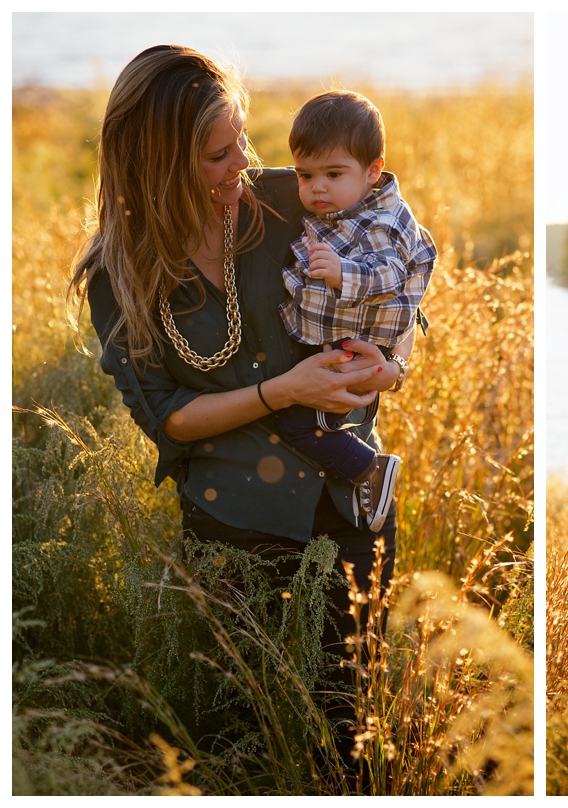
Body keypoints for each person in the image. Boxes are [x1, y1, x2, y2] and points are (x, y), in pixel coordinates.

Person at [66, 44, 409, 764]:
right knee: (249, 737)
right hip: (234, 530)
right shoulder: (116, 274)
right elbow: (168, 421)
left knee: (349, 734)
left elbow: (398, 263)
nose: (244, 165)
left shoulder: (295, 200)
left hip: (350, 506)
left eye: (244, 140)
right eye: (220, 155)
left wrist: (391, 363)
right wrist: (285, 391)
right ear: (160, 165)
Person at [275, 89, 437, 534]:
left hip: (350, 345)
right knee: (317, 418)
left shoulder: (379, 221)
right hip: (342, 343)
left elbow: (390, 274)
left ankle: (370, 470)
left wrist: (344, 273)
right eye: (304, 175)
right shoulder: (351, 207)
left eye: (332, 173)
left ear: (372, 172)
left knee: (298, 425)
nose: (317, 188)